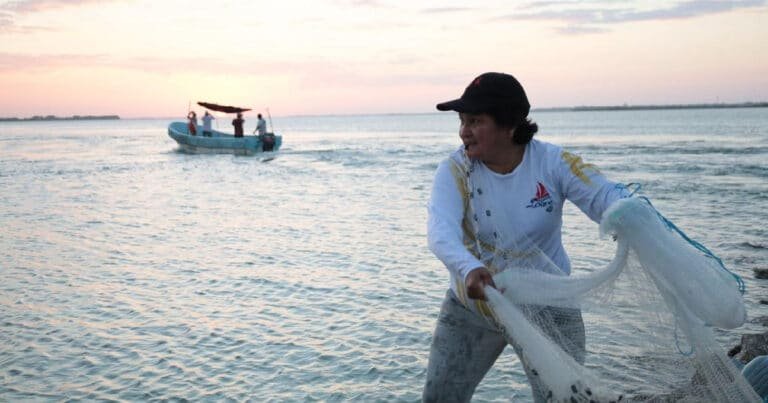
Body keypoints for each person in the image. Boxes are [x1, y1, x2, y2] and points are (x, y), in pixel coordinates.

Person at [423, 72, 631, 402]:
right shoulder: (453, 170)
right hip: (474, 305)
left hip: (549, 306)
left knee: (566, 400)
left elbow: (604, 196)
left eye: (475, 121)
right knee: (439, 398)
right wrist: (468, 268)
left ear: (509, 126)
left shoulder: (552, 163)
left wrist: (629, 213)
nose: (463, 131)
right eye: (462, 120)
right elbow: (440, 232)